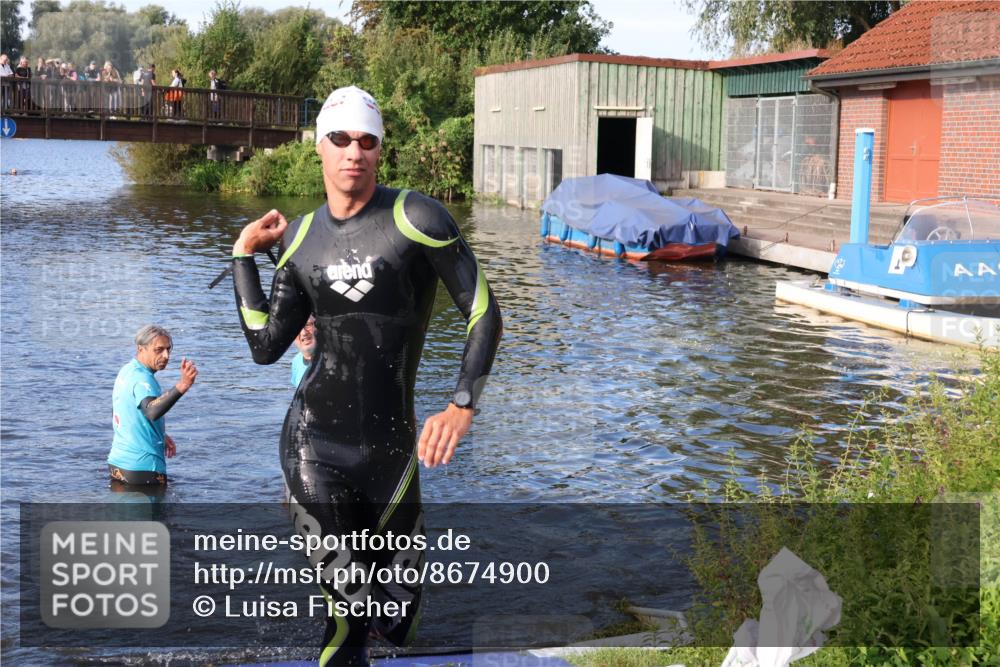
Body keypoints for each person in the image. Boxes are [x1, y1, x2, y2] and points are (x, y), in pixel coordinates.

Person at [231, 85, 502, 666]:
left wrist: (462, 404)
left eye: (367, 140)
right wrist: (243, 255)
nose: (353, 151)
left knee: (398, 621)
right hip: (313, 448)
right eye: (340, 139)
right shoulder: (299, 239)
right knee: (349, 616)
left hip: (392, 456)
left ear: (380, 149)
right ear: (319, 148)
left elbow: (484, 313)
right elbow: (265, 346)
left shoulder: (418, 218)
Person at [108, 325, 198, 485]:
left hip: (118, 464)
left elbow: (125, 411)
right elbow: (151, 411)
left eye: (168, 349)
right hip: (144, 468)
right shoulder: (143, 379)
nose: (166, 356)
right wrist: (183, 385)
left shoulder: (127, 371)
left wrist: (158, 433)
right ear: (141, 349)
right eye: (159, 350)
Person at [290, 315, 316, 387]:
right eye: (296, 328)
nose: (303, 333)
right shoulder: (296, 361)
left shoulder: (334, 358)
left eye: (308, 325)